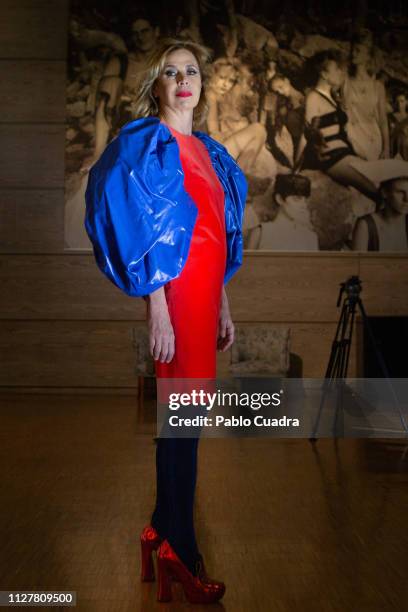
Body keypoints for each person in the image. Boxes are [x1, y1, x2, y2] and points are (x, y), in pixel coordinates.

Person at [84, 38, 247, 604]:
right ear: (155, 84)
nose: (183, 80)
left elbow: (212, 237)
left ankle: (159, 528)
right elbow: (134, 229)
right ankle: (182, 547)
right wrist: (155, 304)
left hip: (205, 299)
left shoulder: (207, 151)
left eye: (192, 71)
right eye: (171, 72)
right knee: (182, 423)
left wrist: (223, 300)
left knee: (187, 420)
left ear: (202, 84)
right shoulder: (146, 146)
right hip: (174, 301)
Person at [297, 49, 380, 204]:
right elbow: (306, 134)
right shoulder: (314, 97)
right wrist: (295, 167)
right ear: (324, 73)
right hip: (330, 157)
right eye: (337, 69)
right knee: (375, 188)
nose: (341, 73)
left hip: (344, 153)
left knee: (382, 181)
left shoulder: (333, 98)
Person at [343, 31, 390, 161]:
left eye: (358, 50)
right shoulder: (344, 81)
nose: (353, 53)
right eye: (353, 50)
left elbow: (383, 120)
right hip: (351, 137)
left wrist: (386, 149)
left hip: (373, 138)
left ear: (368, 56)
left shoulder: (378, 86)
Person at [247, 173, 318, 250]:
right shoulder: (261, 232)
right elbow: (249, 261)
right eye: (297, 199)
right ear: (280, 199)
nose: (303, 205)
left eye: (305, 200)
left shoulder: (310, 237)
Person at [352, 161, 408, 251]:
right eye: (400, 192)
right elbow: (357, 264)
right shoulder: (366, 226)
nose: (406, 199)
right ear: (384, 192)